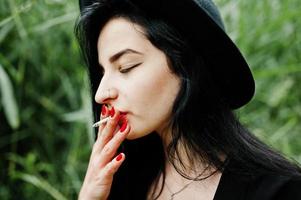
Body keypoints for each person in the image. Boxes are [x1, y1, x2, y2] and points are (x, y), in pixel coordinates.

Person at [75, 0, 301, 199]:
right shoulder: (117, 186)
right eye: (103, 72)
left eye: (126, 67)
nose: (101, 94)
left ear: (185, 64)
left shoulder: (279, 191)